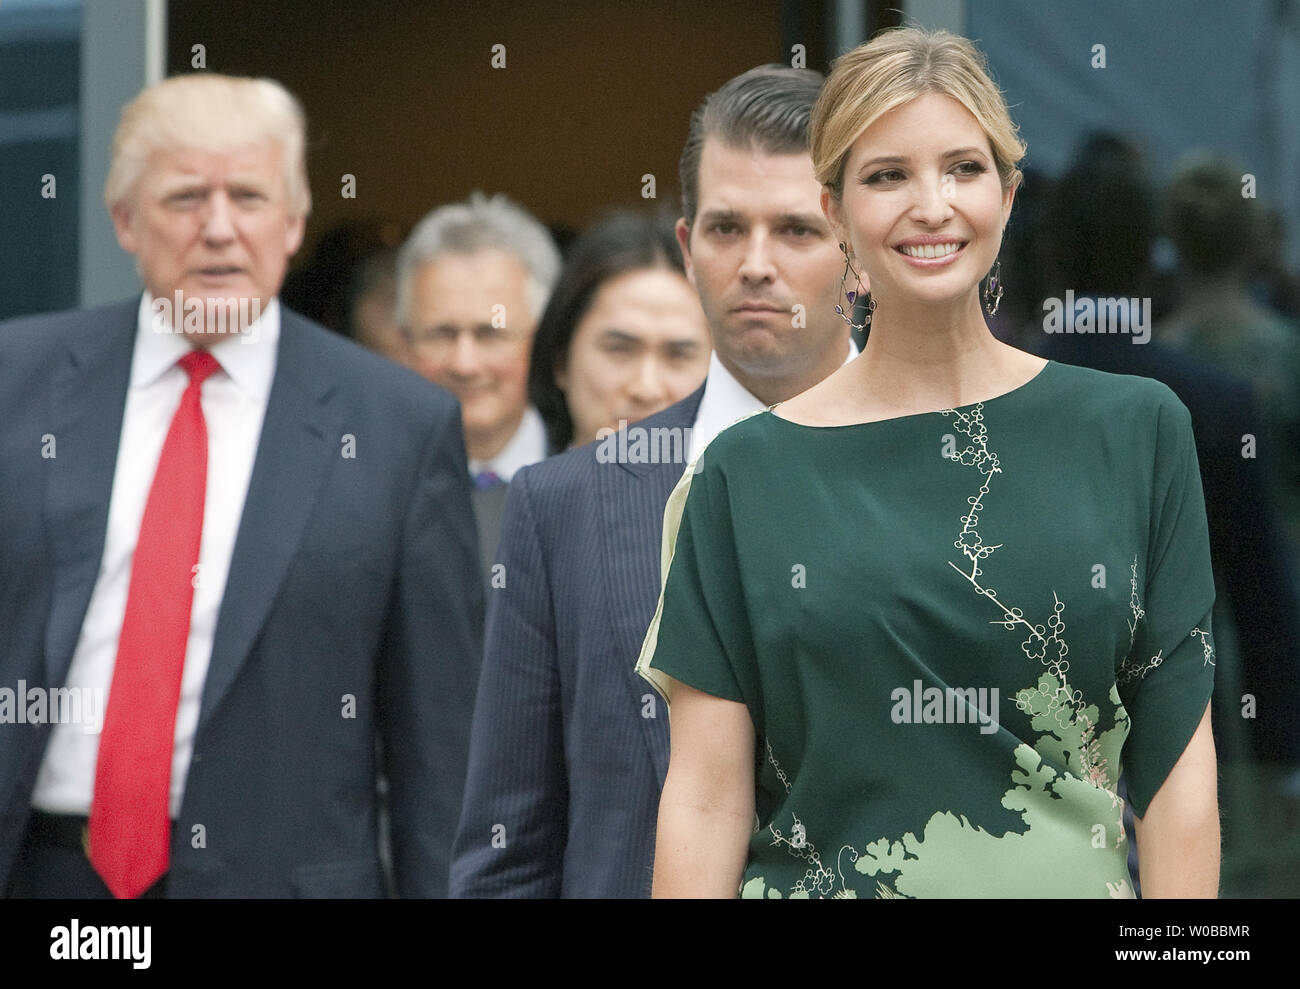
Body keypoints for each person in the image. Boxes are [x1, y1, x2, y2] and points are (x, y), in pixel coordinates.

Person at [638, 28, 1219, 898]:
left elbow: (1177, 775)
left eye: (963, 168)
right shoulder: (742, 473)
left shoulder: (1135, 430)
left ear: (1009, 194)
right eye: (887, 175)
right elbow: (705, 800)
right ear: (834, 211)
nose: (932, 204)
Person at [0, 74, 483, 898]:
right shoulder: (18, 380)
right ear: (124, 220)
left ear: (293, 222)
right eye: (185, 197)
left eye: (249, 197)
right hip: (47, 876)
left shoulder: (401, 426)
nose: (218, 229)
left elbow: (439, 748)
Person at [450, 64, 855, 897]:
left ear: (860, 248)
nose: (755, 264)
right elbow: (508, 853)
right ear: (685, 246)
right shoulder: (559, 506)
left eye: (796, 231)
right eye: (725, 228)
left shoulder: (970, 474)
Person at [397, 193, 561, 574]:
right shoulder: (365, 486)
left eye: (490, 334)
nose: (464, 364)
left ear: (543, 340)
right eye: (441, 334)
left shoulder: (592, 477)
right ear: (404, 343)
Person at [528, 210, 711, 452]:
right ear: (561, 360)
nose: (646, 390)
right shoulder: (521, 489)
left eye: (678, 355)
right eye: (619, 350)